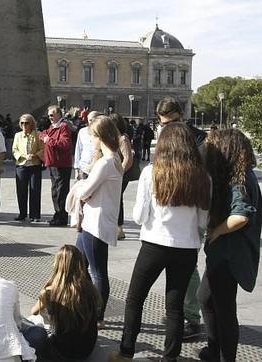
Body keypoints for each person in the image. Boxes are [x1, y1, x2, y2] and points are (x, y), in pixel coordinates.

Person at [109, 123, 211, 362]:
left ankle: (126, 352)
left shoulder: (152, 172)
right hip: (186, 248)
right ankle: (170, 357)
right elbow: (204, 219)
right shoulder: (202, 176)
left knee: (135, 298)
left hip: (154, 243)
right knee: (174, 306)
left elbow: (139, 216)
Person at [198, 129, 261, 362]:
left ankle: (225, 357)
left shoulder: (239, 178)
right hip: (225, 254)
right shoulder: (240, 173)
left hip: (229, 255)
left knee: (224, 310)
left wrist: (216, 231)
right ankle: (214, 349)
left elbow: (241, 216)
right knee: (205, 298)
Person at [156, 96, 205, 339]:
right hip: (170, 207)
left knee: (190, 267)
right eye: (165, 124)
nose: (170, 129)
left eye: (173, 123)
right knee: (173, 265)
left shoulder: (199, 139)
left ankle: (192, 317)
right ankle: (179, 310)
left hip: (192, 210)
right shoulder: (164, 136)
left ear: (182, 117)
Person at [73, 115, 122, 328]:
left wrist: (78, 187)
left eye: (92, 136)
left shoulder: (106, 162)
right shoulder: (114, 159)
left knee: (97, 271)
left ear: (99, 136)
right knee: (79, 264)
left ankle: (99, 316)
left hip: (97, 221)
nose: (90, 140)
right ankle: (82, 305)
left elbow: (85, 190)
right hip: (94, 220)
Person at [22, 245, 98, 361]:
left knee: (33, 324)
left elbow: (34, 311)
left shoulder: (50, 292)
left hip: (60, 353)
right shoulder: (89, 289)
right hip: (86, 350)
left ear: (58, 265)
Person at [40, 106, 73, 226]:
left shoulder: (63, 127)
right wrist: (45, 137)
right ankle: (57, 214)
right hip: (53, 163)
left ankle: (61, 217)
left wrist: (49, 140)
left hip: (61, 164)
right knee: (55, 191)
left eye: (52, 115)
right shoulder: (52, 127)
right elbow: (43, 134)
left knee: (61, 192)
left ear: (59, 115)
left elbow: (65, 144)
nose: (50, 117)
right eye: (49, 115)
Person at [11, 114, 43, 222]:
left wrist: (36, 155)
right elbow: (14, 149)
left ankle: (35, 215)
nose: (24, 125)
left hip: (35, 165)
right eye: (22, 123)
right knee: (21, 190)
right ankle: (22, 213)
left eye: (27, 123)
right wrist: (24, 156)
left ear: (32, 124)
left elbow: (43, 149)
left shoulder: (38, 134)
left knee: (35, 190)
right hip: (21, 166)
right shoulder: (18, 135)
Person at [108, 114, 133, 241]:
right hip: (115, 174)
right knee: (115, 199)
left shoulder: (123, 139)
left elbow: (128, 159)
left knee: (117, 199)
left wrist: (119, 173)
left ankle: (119, 228)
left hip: (121, 175)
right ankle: (116, 227)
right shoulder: (113, 138)